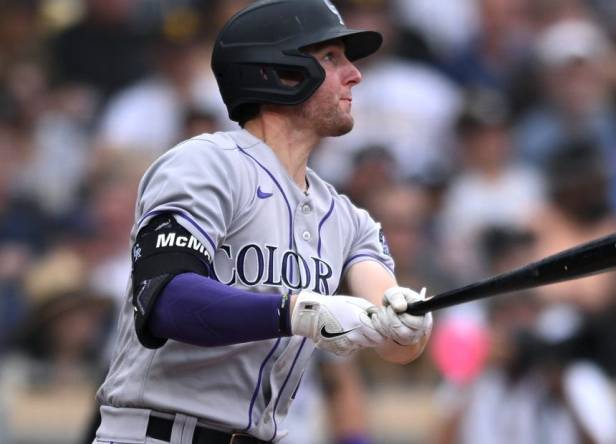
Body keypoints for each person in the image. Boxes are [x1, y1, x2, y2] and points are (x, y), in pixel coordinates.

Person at [91, 2, 433, 443]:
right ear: (279, 72)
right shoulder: (205, 164)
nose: (355, 74)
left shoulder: (349, 218)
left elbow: (395, 339)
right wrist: (300, 312)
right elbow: (166, 299)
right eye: (331, 58)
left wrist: (407, 323)